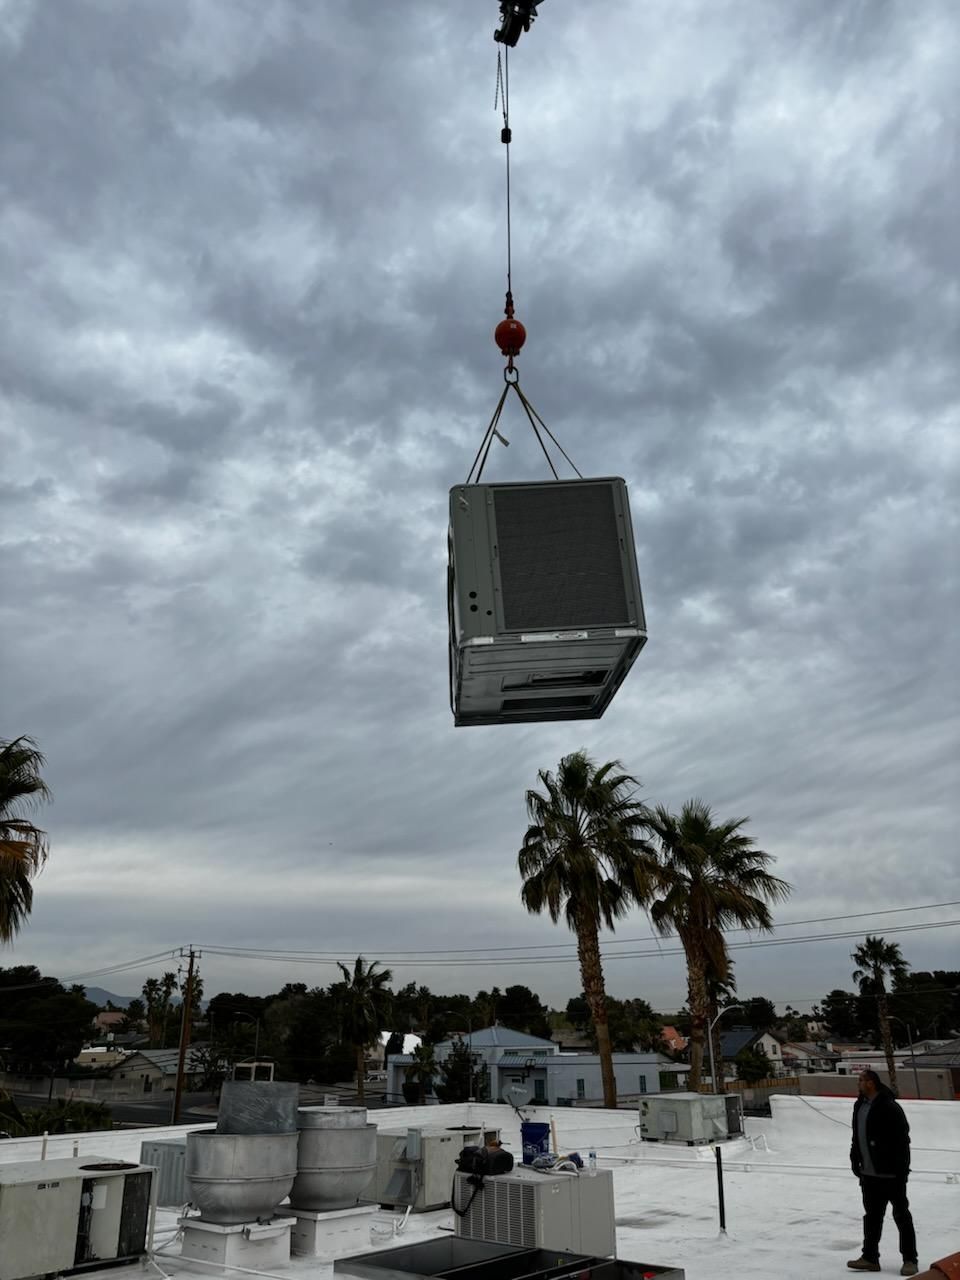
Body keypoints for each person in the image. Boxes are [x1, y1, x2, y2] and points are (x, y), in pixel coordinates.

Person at [847, 1069, 919, 1276]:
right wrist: (854, 1159)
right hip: (869, 1175)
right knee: (872, 1217)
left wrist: (901, 1170)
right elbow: (856, 1136)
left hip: (892, 1175)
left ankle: (909, 1260)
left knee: (901, 1216)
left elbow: (903, 1140)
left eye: (861, 1080)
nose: (858, 1084)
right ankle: (870, 1257)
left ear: (871, 1083)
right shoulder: (859, 1105)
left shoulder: (890, 1107)